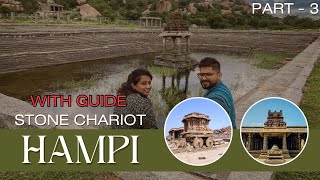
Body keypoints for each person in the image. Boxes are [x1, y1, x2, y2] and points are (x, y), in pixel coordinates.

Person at [198, 57, 236, 129]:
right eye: (201, 75)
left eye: (208, 75)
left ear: (219, 75)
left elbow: (212, 125)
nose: (204, 78)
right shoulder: (222, 88)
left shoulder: (216, 98)